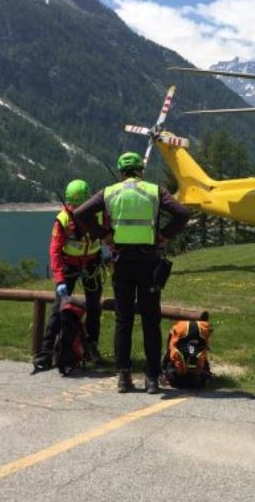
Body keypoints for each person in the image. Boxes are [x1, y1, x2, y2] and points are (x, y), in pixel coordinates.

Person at [74, 152, 190, 394]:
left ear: (120, 171)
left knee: (123, 320)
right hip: (149, 262)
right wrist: (165, 235)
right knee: (151, 320)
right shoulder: (155, 191)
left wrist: (103, 236)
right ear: (141, 170)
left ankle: (124, 377)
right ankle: (151, 379)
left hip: (122, 262)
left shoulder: (109, 192)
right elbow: (182, 213)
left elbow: (80, 213)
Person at [32, 179, 106, 372]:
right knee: (59, 308)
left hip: (92, 263)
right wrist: (59, 279)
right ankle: (46, 352)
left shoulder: (98, 214)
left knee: (94, 307)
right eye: (73, 205)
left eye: (78, 204)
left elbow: (109, 233)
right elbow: (55, 250)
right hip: (70, 266)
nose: (75, 209)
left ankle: (91, 346)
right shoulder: (63, 219)